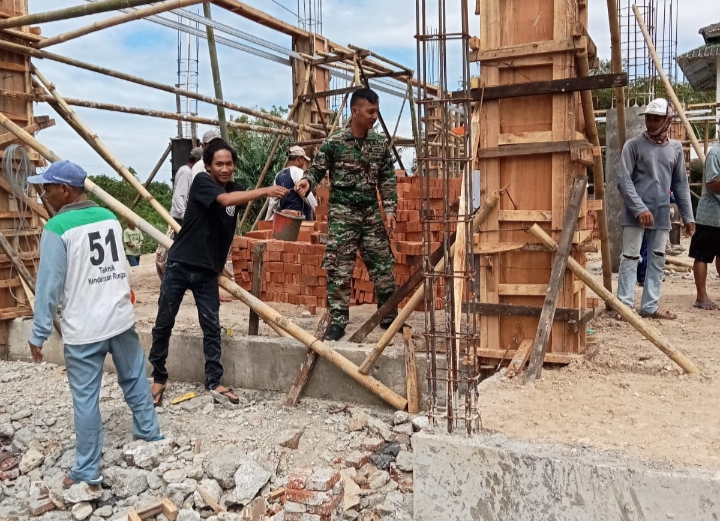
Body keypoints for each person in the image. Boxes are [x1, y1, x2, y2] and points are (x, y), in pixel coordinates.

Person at [26, 160, 162, 487]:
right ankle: (150, 433)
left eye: (47, 188)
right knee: (134, 377)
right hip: (120, 318)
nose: (44, 194)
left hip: (85, 327)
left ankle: (87, 469)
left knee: (86, 398)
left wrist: (39, 332)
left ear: (65, 190)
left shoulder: (57, 228)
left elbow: (48, 286)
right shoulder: (108, 217)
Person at [149, 141, 289, 406]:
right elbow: (224, 201)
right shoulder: (202, 182)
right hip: (180, 264)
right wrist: (265, 191)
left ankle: (214, 381)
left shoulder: (236, 189)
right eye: (219, 164)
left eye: (229, 164)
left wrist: (216, 262)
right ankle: (158, 377)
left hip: (206, 272)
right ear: (209, 166)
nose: (225, 169)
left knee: (212, 327)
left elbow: (223, 229)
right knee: (164, 322)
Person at [295, 87, 398, 341]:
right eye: (370, 111)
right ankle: (338, 321)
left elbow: (387, 179)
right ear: (355, 111)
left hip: (370, 213)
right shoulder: (335, 143)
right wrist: (308, 180)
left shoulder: (379, 145)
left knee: (383, 265)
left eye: (377, 111)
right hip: (343, 214)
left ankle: (388, 315)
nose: (374, 116)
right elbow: (317, 169)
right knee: (339, 268)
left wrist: (390, 209)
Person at [616, 98, 695, 320]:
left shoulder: (675, 149)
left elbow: (680, 184)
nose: (651, 123)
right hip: (635, 214)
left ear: (667, 120)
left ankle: (649, 307)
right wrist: (639, 208)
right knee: (630, 257)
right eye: (648, 118)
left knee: (658, 259)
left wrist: (688, 216)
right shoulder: (633, 145)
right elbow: (623, 180)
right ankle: (624, 306)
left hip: (661, 213)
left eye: (656, 119)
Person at [156, 146, 203, 279]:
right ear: (197, 160)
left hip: (182, 216)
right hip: (180, 217)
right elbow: (179, 196)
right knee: (182, 246)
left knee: (183, 245)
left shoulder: (186, 171)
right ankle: (167, 267)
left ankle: (170, 268)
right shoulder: (186, 173)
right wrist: (185, 216)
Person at [690, 142, 720, 310]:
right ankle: (701, 297)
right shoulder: (716, 153)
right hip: (710, 216)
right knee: (702, 255)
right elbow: (712, 183)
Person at [265, 145, 318, 221]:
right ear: (299, 159)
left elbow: (273, 202)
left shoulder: (278, 175)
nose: (304, 163)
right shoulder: (298, 172)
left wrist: (267, 220)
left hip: (285, 220)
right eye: (303, 160)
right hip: (300, 220)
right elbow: (308, 196)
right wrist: (318, 212)